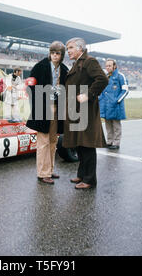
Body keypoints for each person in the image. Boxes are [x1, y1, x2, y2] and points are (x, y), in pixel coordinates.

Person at [63, 38, 108, 189]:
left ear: (80, 48)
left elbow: (102, 79)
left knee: (87, 145)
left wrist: (88, 94)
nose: (68, 50)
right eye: (67, 48)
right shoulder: (79, 62)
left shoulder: (90, 61)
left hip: (85, 110)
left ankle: (89, 180)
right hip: (76, 109)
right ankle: (82, 174)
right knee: (80, 144)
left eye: (70, 48)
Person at [26, 41, 69, 184]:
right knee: (43, 141)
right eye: (52, 53)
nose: (55, 56)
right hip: (43, 107)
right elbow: (31, 88)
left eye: (58, 53)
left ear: (62, 55)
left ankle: (49, 170)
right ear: (49, 53)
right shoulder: (40, 66)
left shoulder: (64, 69)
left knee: (53, 140)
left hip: (58, 107)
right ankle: (43, 173)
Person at [99, 59, 129, 149]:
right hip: (106, 106)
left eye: (109, 65)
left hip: (115, 106)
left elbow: (125, 90)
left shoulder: (120, 76)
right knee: (108, 125)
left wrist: (117, 101)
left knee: (116, 126)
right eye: (106, 66)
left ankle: (116, 143)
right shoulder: (105, 76)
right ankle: (109, 141)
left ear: (114, 66)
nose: (107, 67)